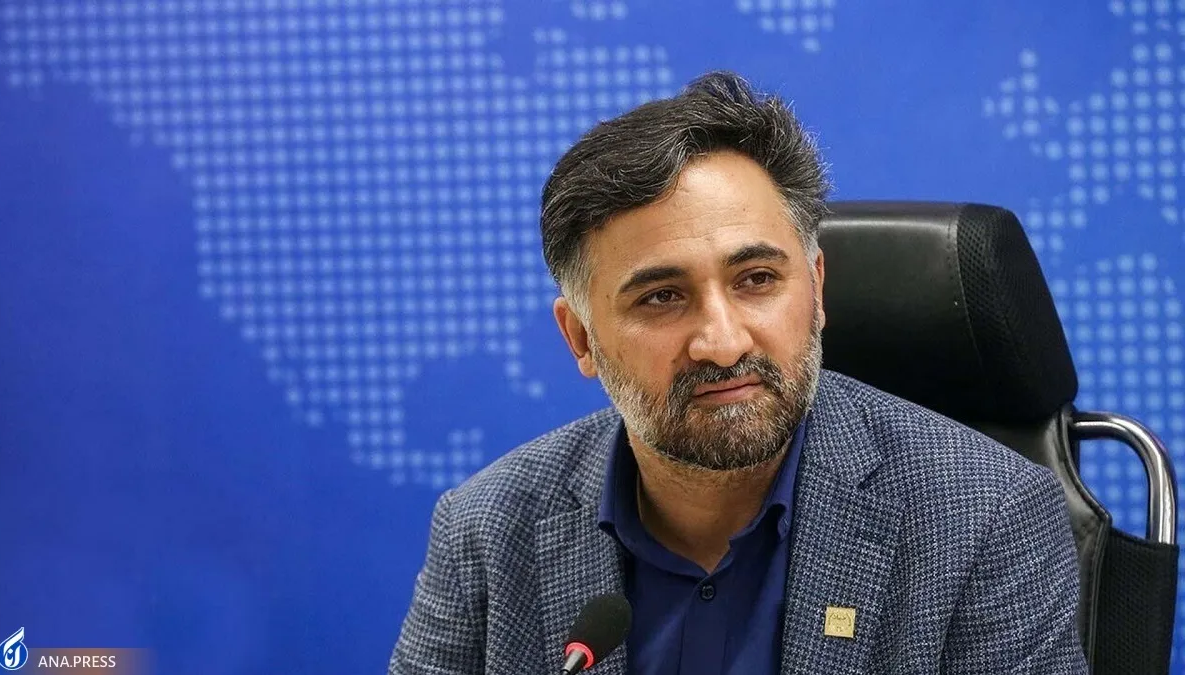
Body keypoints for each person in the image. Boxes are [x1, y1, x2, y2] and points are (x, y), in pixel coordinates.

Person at [388, 71, 1087, 674]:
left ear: (816, 289)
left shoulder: (983, 516)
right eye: (662, 297)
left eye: (756, 279)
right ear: (581, 338)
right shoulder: (486, 530)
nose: (722, 344)